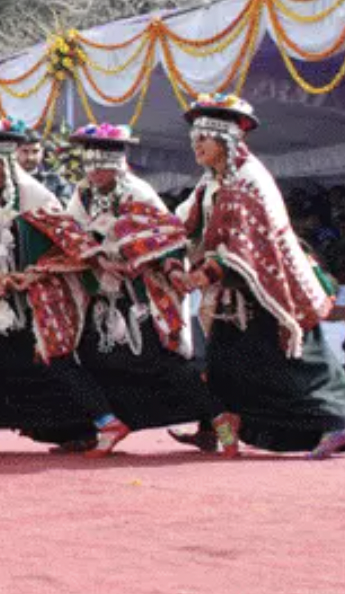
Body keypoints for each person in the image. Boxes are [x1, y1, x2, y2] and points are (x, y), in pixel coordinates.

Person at [170, 94, 345, 459]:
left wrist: (206, 274)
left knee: (299, 365)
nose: (197, 145)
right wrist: (155, 246)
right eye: (195, 138)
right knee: (222, 365)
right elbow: (182, 225)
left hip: (275, 291)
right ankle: (212, 429)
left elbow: (247, 248)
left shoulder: (251, 181)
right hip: (238, 293)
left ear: (227, 141)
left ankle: (341, 425)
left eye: (205, 138)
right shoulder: (210, 183)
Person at [0, 116, 129, 456]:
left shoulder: (35, 196)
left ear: (2, 159)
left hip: (40, 297)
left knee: (53, 360)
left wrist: (33, 274)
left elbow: (69, 246)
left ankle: (105, 421)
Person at [63, 124, 238, 454]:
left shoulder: (139, 193)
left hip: (142, 292)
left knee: (161, 362)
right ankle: (107, 423)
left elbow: (169, 239)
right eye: (90, 165)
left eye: (101, 166)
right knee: (95, 357)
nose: (94, 172)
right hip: (103, 291)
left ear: (116, 165)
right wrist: (99, 260)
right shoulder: (83, 193)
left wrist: (136, 261)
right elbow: (74, 235)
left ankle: (220, 419)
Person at [16, 130, 74, 203]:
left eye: (35, 151)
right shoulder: (6, 180)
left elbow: (65, 207)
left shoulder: (56, 181)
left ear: (42, 152)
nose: (30, 157)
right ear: (16, 151)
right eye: (25, 151)